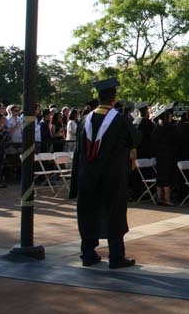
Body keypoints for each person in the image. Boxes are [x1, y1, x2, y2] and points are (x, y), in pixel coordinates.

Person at [69, 77, 142, 269]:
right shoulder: (120, 120)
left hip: (88, 176)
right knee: (113, 214)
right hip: (112, 177)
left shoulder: (85, 120)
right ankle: (116, 257)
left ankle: (88, 254)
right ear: (114, 99)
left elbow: (78, 151)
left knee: (88, 213)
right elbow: (136, 140)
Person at [151, 104, 178, 206]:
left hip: (159, 156)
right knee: (167, 178)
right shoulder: (170, 128)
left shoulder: (156, 128)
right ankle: (167, 199)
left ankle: (159, 198)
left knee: (160, 177)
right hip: (169, 156)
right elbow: (175, 141)